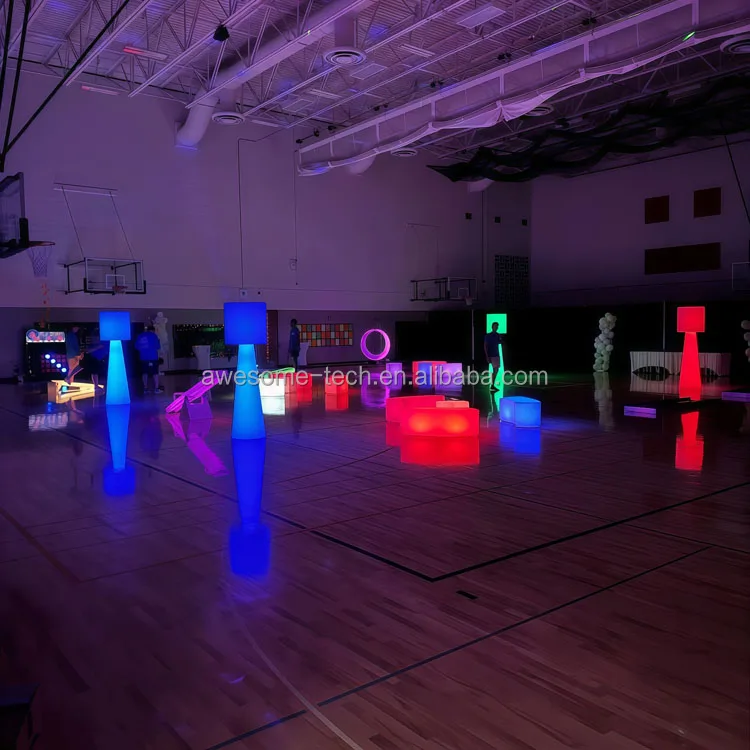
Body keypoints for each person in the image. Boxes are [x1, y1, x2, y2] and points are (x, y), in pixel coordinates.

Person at [135, 324, 162, 394]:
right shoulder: (154, 335)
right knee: (155, 373)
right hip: (153, 357)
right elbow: (158, 346)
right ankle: (156, 389)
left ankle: (145, 389)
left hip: (143, 357)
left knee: (144, 373)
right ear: (153, 330)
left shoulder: (140, 336)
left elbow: (136, 347)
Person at [484, 321, 503, 391]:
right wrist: (487, 356)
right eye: (495, 326)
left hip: (496, 354)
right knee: (495, 369)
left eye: (497, 326)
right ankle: (492, 385)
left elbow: (500, 342)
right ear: (492, 327)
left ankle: (492, 384)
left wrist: (501, 338)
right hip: (491, 355)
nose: (496, 327)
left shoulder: (498, 335)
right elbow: (485, 346)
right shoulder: (488, 336)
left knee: (496, 370)